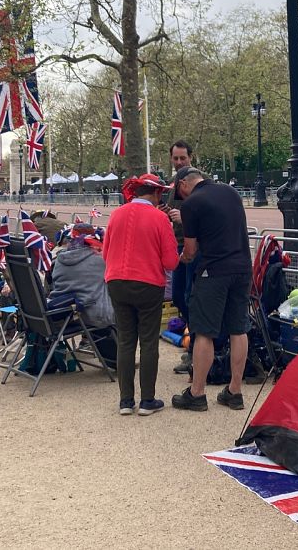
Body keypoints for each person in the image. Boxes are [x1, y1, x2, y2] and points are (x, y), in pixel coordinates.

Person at [169, 166, 252, 412]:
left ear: (184, 184)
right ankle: (234, 391)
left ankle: (197, 393)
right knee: (239, 328)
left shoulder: (192, 204)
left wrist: (181, 259)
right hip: (243, 267)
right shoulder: (231, 192)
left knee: (204, 330)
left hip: (213, 270)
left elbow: (191, 250)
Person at [103, 174, 178, 416]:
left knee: (125, 340)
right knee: (148, 341)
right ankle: (147, 400)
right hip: (147, 283)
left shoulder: (116, 214)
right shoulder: (159, 218)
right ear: (156, 194)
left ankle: (126, 400)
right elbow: (170, 262)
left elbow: (105, 253)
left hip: (117, 280)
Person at [49, 223, 116, 363]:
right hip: (87, 314)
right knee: (119, 309)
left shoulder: (59, 259)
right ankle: (116, 361)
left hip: (59, 313)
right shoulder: (100, 260)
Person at [166, 140, 196, 374]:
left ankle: (196, 349)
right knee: (178, 296)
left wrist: (183, 217)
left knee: (190, 296)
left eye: (182, 158)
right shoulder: (172, 186)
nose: (178, 162)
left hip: (195, 249)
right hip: (177, 247)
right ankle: (191, 339)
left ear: (190, 158)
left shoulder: (199, 184)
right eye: (175, 158)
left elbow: (205, 217)